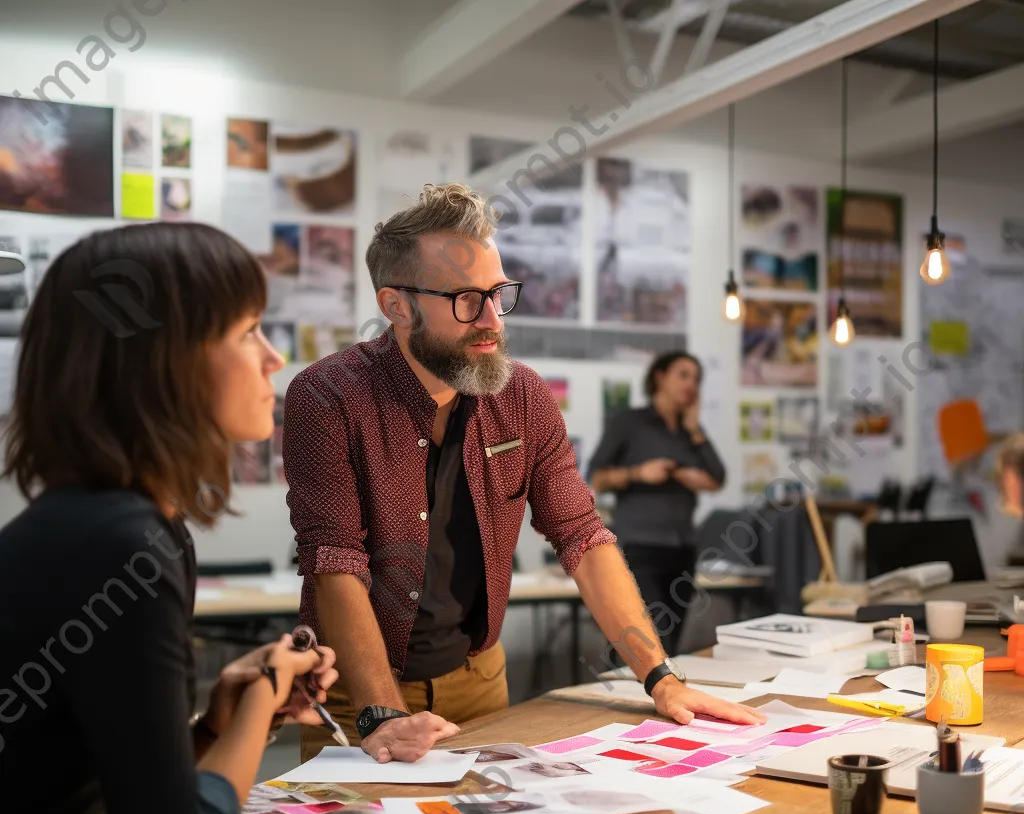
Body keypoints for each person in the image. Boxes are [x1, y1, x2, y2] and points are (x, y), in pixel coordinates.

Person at [283, 183, 764, 765]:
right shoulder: (328, 397)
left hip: (479, 681)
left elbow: (583, 538)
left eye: (497, 294)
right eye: (466, 300)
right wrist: (382, 712)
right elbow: (335, 562)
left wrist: (660, 677)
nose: (492, 320)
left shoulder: (523, 396)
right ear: (397, 306)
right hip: (357, 691)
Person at [0, 223, 339, 814]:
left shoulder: (113, 523)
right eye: (248, 332)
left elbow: (109, 776)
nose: (275, 357)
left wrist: (220, 724)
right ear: (165, 360)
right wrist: (268, 692)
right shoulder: (126, 545)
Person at [588, 352, 726, 657]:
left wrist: (694, 430)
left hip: (683, 549)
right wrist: (639, 472)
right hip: (640, 548)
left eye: (696, 379)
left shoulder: (690, 433)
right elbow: (596, 476)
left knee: (670, 645)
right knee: (640, 642)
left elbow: (718, 477)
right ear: (660, 377)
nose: (691, 385)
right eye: (684, 375)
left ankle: (663, 701)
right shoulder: (630, 422)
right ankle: (622, 698)